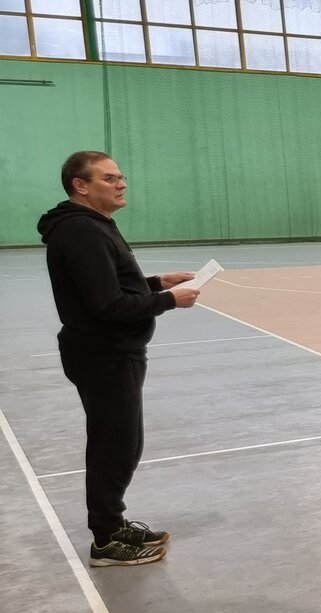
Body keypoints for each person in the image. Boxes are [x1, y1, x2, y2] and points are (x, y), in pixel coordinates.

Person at [41, 150, 201, 567]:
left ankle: (113, 522)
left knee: (123, 442)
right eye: (110, 178)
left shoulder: (91, 225)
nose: (121, 183)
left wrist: (156, 282)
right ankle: (106, 539)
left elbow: (108, 285)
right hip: (104, 353)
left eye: (120, 176)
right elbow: (108, 305)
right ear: (80, 185)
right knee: (114, 446)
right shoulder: (81, 230)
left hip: (112, 352)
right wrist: (168, 299)